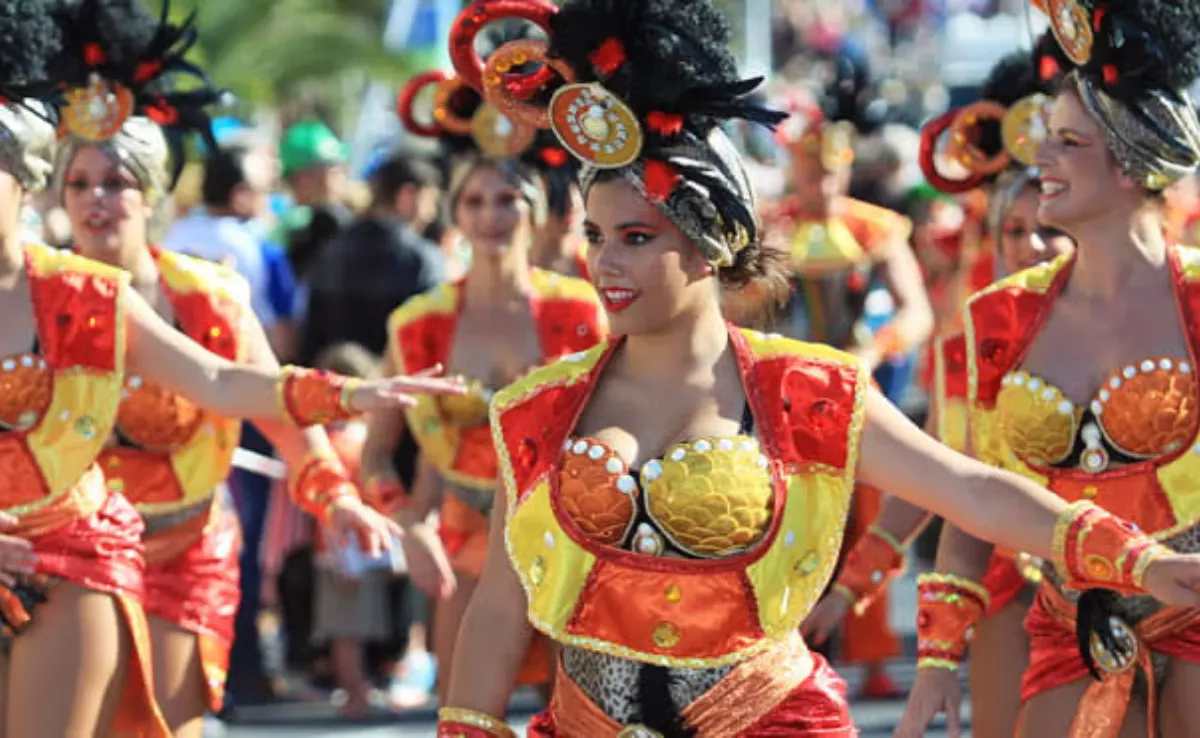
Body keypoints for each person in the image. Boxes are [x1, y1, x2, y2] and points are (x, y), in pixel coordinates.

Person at [430, 0, 1200, 734]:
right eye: (595, 235)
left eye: (637, 237)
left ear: (711, 241)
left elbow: (969, 488)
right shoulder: (539, 407)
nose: (605, 262)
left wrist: (1138, 560)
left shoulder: (806, 391)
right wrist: (468, 727)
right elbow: (501, 603)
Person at [899, 1, 1200, 735]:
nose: (1042, 162)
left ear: (1133, 163)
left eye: (1068, 142)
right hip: (1066, 623)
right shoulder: (1000, 317)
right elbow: (974, 493)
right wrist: (937, 657)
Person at [366, 54, 608, 704]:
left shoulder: (583, 312)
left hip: (571, 544)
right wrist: (408, 524)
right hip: (465, 539)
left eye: (508, 199)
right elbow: (376, 451)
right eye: (474, 201)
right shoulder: (418, 325)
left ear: (535, 208)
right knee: (467, 714)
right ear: (455, 213)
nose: (491, 216)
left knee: (583, 717)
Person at [299, 151, 446, 365]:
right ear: (407, 196)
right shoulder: (422, 258)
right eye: (430, 202)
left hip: (332, 389)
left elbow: (309, 334)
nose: (431, 214)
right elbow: (435, 337)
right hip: (400, 390)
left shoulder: (331, 248)